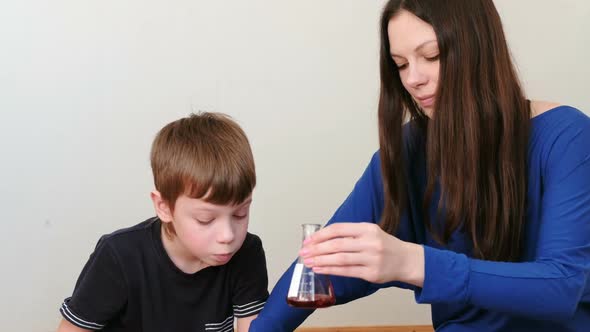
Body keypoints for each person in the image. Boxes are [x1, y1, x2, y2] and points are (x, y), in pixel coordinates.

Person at [250, 0, 590, 331]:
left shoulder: (566, 136)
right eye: (400, 64)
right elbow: (327, 263)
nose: (413, 79)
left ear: (479, 49)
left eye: (432, 56)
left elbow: (560, 288)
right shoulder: (408, 148)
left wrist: (413, 263)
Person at [57, 112, 268, 332]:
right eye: (205, 219)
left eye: (240, 214)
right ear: (164, 207)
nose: (228, 236)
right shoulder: (120, 256)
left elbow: (252, 328)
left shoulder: (247, 253)